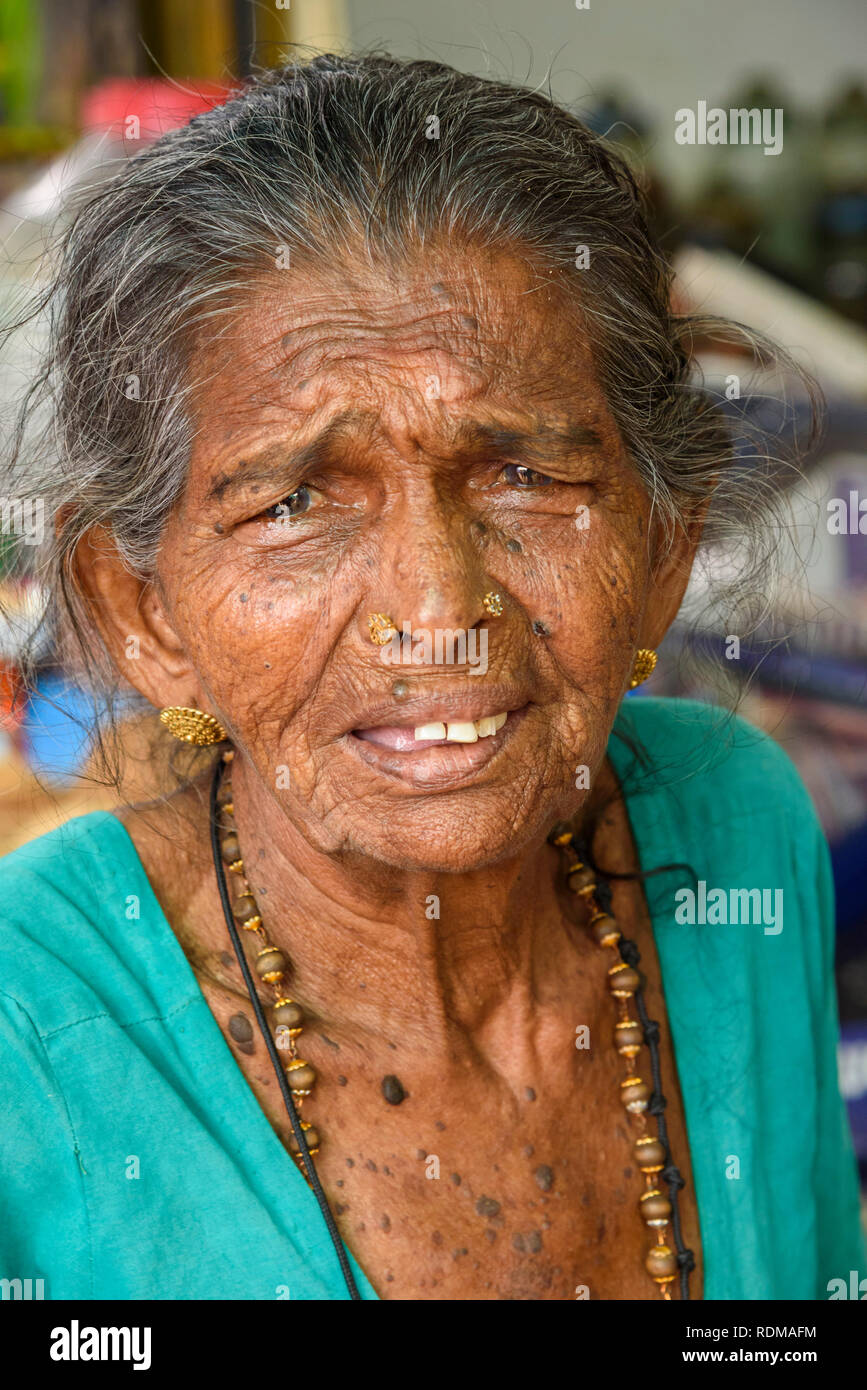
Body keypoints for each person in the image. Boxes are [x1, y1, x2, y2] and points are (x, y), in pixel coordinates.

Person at [0, 54, 862, 1301]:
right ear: (146, 612)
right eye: (295, 502)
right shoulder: (32, 1030)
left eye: (525, 477)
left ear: (664, 547)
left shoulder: (735, 827)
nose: (440, 614)